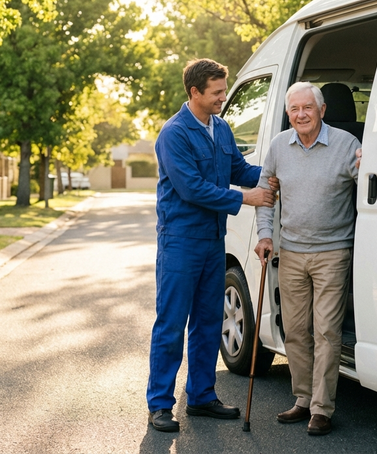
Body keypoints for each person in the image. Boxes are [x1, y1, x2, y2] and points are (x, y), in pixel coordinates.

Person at [147, 58, 278, 433]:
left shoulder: (220, 128)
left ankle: (202, 396)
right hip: (180, 243)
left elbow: (239, 168)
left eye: (223, 90)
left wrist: (273, 177)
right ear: (195, 92)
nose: (223, 97)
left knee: (208, 322)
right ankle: (160, 405)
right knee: (171, 324)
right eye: (217, 92)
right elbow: (191, 189)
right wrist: (247, 199)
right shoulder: (173, 134)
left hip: (212, 241)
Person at [254, 82, 361, 436]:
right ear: (288, 114)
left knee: (326, 331)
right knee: (296, 330)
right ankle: (302, 399)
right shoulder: (278, 147)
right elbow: (266, 194)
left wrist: (371, 165)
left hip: (333, 252)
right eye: (294, 109)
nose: (301, 115)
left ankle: (321, 408)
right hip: (292, 252)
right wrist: (265, 235)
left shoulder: (347, 144)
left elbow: (372, 183)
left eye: (308, 108)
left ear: (322, 110)